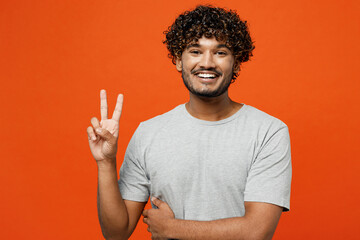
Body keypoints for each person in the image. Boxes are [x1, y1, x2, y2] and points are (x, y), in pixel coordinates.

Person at [87, 5, 292, 240]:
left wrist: (172, 229)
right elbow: (116, 232)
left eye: (221, 52)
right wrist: (106, 163)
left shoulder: (268, 132)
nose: (207, 62)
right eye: (195, 51)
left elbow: (257, 231)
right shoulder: (148, 133)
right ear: (178, 60)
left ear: (236, 63)